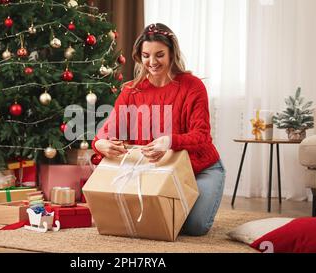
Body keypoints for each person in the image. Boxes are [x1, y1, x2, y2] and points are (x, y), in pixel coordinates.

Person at [91, 23, 225, 236]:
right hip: (160, 171)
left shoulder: (192, 86)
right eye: (146, 55)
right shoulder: (132, 91)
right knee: (149, 219)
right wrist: (100, 143)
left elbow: (201, 136)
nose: (152, 62)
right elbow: (109, 129)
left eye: (159, 55)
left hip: (200, 169)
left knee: (194, 227)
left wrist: (170, 141)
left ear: (172, 53)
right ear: (139, 56)